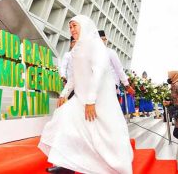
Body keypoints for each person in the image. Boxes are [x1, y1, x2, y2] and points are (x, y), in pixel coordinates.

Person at [39, 15, 133, 174]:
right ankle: (66, 165)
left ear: (84, 26)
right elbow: (74, 76)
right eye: (70, 27)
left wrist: (90, 101)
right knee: (64, 122)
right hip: (79, 99)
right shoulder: (76, 49)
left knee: (105, 137)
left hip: (98, 102)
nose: (72, 30)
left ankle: (116, 169)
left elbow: (99, 73)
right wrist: (64, 94)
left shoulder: (96, 46)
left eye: (74, 26)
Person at [98, 30, 134, 116]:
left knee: (111, 112)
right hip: (97, 87)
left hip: (111, 86)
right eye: (101, 39)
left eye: (104, 39)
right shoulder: (91, 54)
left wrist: (127, 85)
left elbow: (119, 69)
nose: (104, 41)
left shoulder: (111, 52)